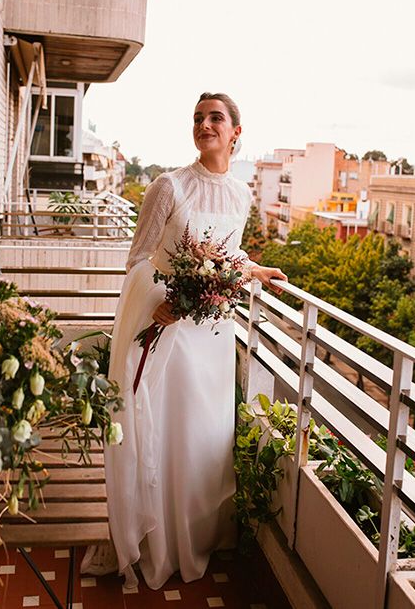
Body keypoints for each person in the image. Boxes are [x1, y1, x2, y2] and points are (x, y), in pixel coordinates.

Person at [81, 93, 287, 590]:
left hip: (211, 336)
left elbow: (227, 256)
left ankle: (196, 536)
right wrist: (158, 303)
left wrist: (255, 269)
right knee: (163, 431)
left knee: (201, 437)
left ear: (237, 131)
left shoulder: (241, 194)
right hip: (168, 331)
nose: (205, 124)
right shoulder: (168, 186)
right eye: (198, 118)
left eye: (216, 117)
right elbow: (138, 259)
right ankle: (156, 542)